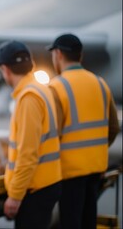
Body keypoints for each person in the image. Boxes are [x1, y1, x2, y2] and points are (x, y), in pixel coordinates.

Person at [46, 33, 120, 229]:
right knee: (88, 221)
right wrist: (95, 151)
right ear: (80, 55)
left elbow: (51, 133)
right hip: (96, 168)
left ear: (59, 54)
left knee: (70, 222)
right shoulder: (100, 83)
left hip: (69, 172)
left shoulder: (56, 86)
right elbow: (113, 127)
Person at [0, 40, 62, 229]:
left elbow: (28, 153)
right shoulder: (40, 88)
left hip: (36, 188)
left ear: (5, 69)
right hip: (47, 182)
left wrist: (15, 196)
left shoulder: (28, 98)